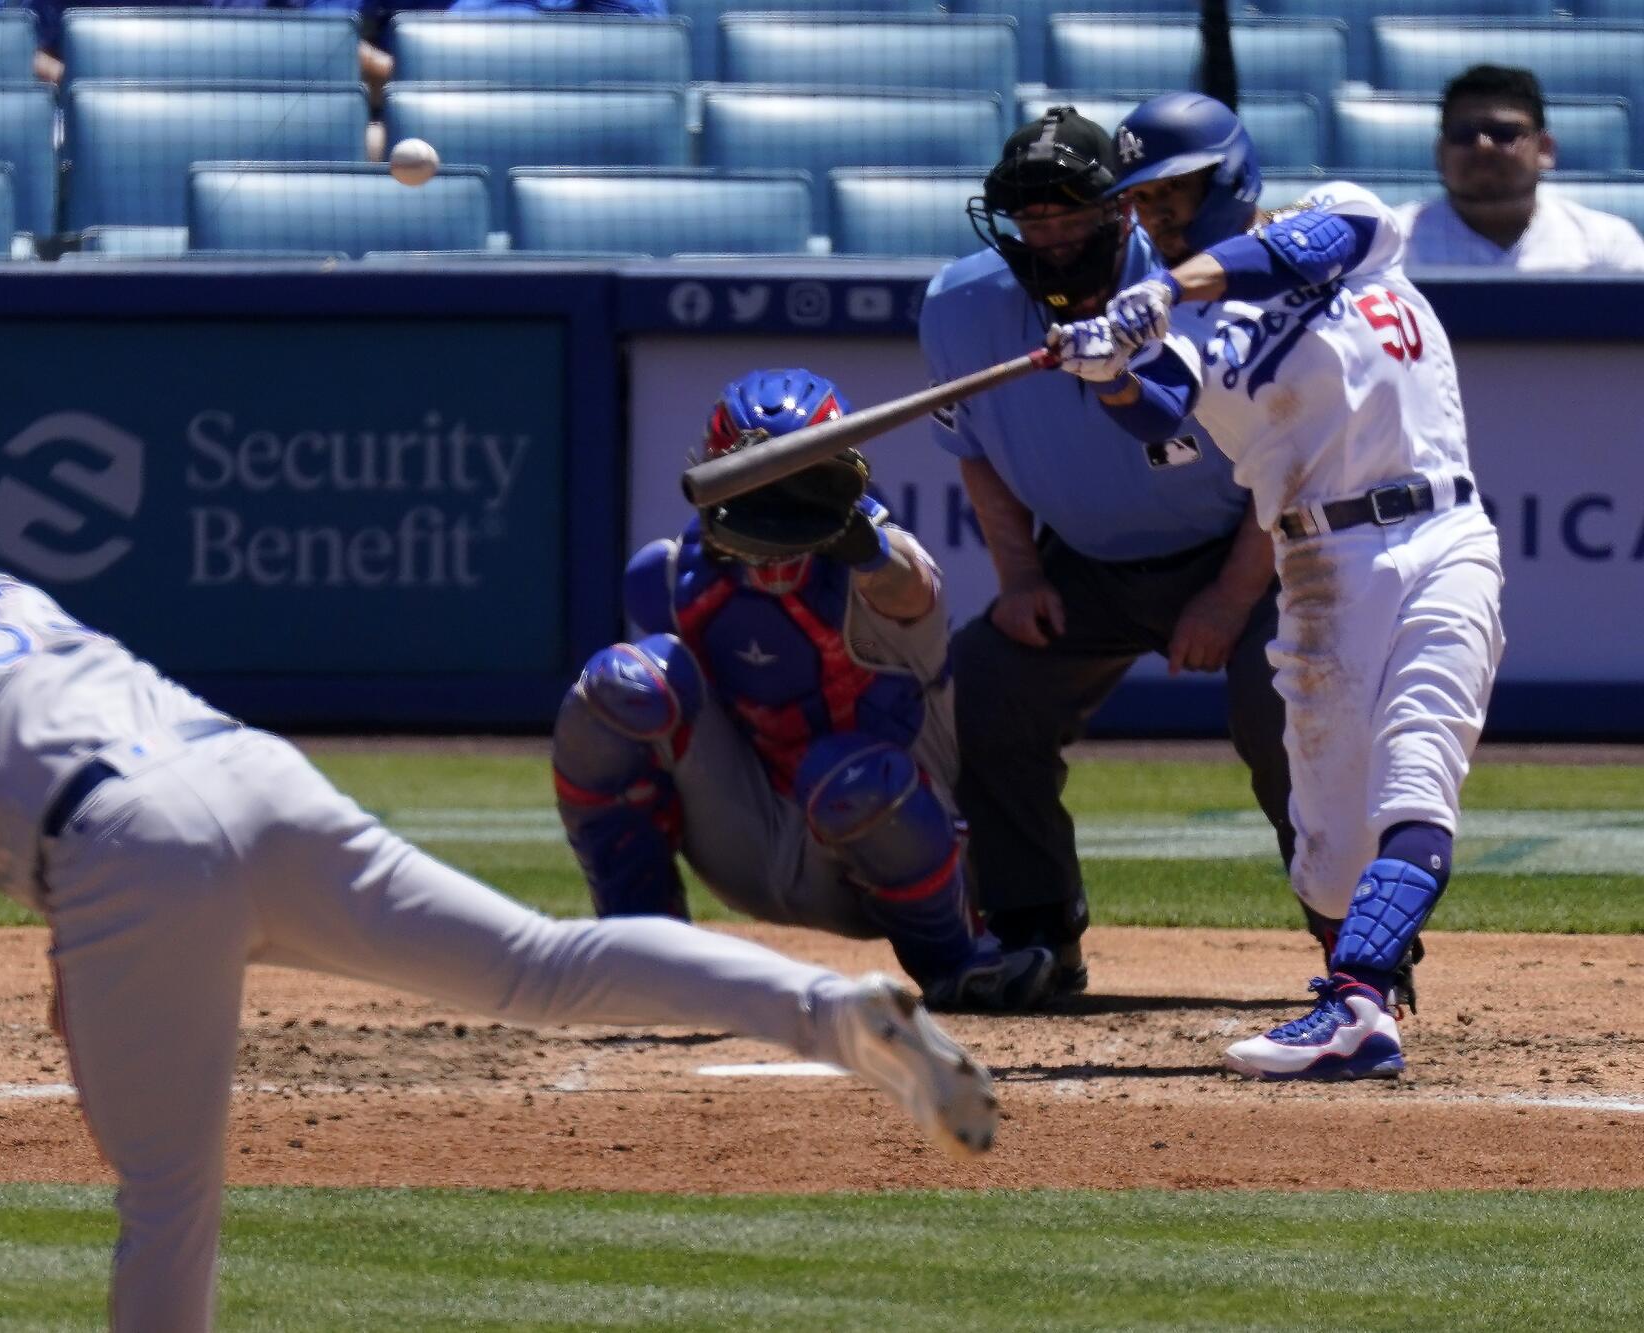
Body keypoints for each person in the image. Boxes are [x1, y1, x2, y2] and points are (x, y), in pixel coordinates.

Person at [0, 416, 1000, 1331]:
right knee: (540, 966)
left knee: (167, 1195)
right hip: (246, 774)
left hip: (121, 849)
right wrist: (86, 962)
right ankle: (832, 1012)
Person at [1048, 91, 1506, 1078]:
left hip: (1439, 532)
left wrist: (1167, 290)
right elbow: (1161, 413)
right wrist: (1107, 371)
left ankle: (1352, 1006)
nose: (1159, 214)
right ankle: (1362, 983)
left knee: (1414, 772)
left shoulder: (1339, 216)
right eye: (1143, 200)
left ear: (1228, 174)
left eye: (1175, 189)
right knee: (1331, 855)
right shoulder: (1177, 327)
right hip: (1316, 568)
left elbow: (1317, 241)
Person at [917, 106, 1293, 998]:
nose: (1047, 235)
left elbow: (1297, 464)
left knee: (1284, 707)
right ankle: (1034, 934)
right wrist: (1018, 575)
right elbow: (973, 449)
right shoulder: (959, 306)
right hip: (1084, 563)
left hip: (1246, 549)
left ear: (1122, 212)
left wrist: (1234, 599)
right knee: (982, 685)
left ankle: (1355, 942)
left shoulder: (1198, 285)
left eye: (1069, 212)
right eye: (1029, 216)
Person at [552, 368, 1056, 1015]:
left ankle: (958, 959)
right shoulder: (672, 574)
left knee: (851, 778)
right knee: (619, 686)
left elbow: (908, 585)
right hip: (749, 833)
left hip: (891, 846)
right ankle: (642, 953)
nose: (773, 501)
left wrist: (851, 535)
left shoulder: (886, 570)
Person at [1397, 64, 1644, 273]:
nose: (1483, 146)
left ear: (1544, 150)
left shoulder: (1605, 243)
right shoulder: (1390, 242)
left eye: (1504, 134)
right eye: (1463, 134)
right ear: (1440, 152)